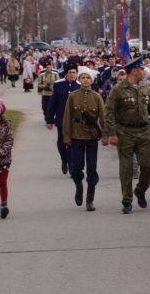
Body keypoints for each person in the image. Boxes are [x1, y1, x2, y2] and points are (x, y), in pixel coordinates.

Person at [105, 57, 150, 214]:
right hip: (125, 132)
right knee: (126, 168)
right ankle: (127, 200)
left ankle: (140, 189)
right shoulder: (118, 89)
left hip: (144, 131)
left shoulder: (146, 88)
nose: (144, 72)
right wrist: (111, 133)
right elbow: (109, 112)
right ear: (134, 71)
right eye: (141, 69)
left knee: (148, 166)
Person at [62, 67, 108, 211]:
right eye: (83, 78)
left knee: (92, 169)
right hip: (76, 136)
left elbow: (103, 117)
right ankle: (79, 186)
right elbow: (67, 118)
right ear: (79, 80)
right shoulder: (73, 96)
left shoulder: (97, 96)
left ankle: (90, 198)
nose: (85, 80)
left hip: (92, 136)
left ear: (91, 80)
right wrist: (67, 136)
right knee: (76, 168)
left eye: (88, 78)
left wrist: (106, 135)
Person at [45, 62, 80, 175]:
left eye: (74, 72)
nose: (72, 75)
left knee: (72, 143)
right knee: (61, 142)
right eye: (70, 72)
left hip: (75, 121)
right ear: (66, 73)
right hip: (61, 119)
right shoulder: (58, 84)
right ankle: (64, 160)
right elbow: (52, 103)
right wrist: (49, 120)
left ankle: (71, 164)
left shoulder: (79, 85)